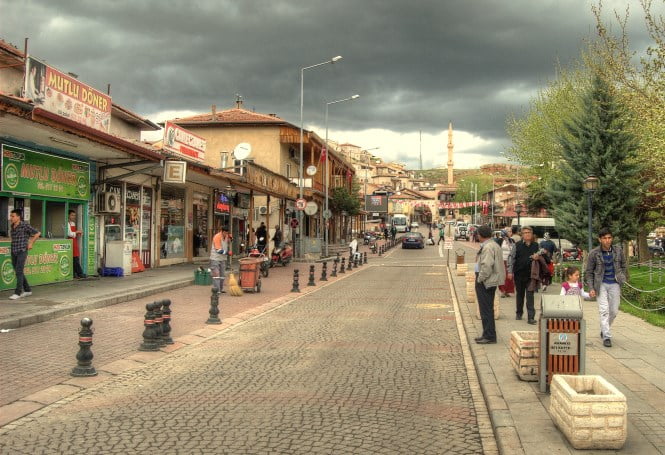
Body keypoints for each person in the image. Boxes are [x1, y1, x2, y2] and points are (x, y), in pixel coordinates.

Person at [585, 227, 627, 348]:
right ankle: (607, 337)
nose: (607, 240)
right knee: (604, 310)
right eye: (604, 238)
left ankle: (604, 328)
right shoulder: (594, 253)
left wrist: (622, 276)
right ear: (600, 239)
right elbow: (589, 272)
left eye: (609, 238)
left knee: (613, 311)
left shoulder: (618, 251)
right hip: (601, 284)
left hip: (615, 283)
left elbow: (624, 265)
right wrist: (591, 288)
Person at [474, 225, 505, 344]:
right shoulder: (493, 244)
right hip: (491, 280)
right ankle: (487, 333)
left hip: (486, 281)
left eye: (477, 234)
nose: (477, 236)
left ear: (481, 235)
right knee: (487, 309)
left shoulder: (488, 247)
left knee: (486, 309)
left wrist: (480, 278)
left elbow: (487, 266)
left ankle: (489, 336)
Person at [507, 225, 542, 324]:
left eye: (529, 233)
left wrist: (538, 256)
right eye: (525, 233)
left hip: (531, 275)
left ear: (532, 234)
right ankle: (519, 313)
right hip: (519, 274)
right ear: (522, 235)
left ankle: (531, 317)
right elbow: (511, 258)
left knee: (530, 296)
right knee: (520, 295)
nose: (527, 235)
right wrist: (510, 271)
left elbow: (541, 256)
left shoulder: (536, 245)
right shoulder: (517, 245)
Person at [8, 209, 41, 300]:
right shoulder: (12, 226)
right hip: (14, 250)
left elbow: (37, 233)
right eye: (10, 216)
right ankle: (27, 290)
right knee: (18, 271)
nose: (11, 218)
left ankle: (17, 292)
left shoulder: (24, 225)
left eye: (13, 216)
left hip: (22, 250)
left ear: (18, 217)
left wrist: (31, 243)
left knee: (19, 270)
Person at [210, 225, 231, 294]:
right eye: (225, 232)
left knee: (222, 275)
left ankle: (221, 289)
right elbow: (218, 250)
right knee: (216, 274)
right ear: (222, 231)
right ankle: (217, 290)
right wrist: (228, 253)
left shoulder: (227, 236)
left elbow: (229, 241)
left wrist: (231, 238)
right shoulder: (217, 237)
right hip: (215, 258)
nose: (226, 234)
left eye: (227, 233)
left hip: (222, 259)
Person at [67, 209, 86, 279]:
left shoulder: (73, 223)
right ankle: (80, 273)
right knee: (75, 258)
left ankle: (75, 273)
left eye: (74, 215)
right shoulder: (67, 223)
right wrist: (77, 232)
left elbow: (73, 233)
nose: (73, 216)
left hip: (74, 241)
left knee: (75, 257)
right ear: (68, 215)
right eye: (72, 215)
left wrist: (77, 232)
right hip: (69, 241)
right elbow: (69, 233)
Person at [498, 230, 515, 298]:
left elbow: (514, 250)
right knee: (502, 276)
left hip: (510, 261)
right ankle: (502, 291)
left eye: (510, 231)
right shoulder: (500, 240)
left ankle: (507, 291)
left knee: (509, 277)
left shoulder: (512, 240)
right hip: (502, 260)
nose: (509, 232)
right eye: (508, 231)